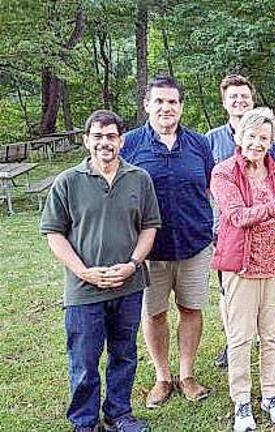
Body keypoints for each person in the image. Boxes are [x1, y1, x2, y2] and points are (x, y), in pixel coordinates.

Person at [41, 110, 161, 432]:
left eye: (111, 136)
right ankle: (84, 421)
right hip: (84, 290)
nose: (104, 142)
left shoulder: (139, 179)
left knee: (124, 355)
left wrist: (133, 264)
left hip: (129, 285)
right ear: (86, 141)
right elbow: (54, 234)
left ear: (121, 141)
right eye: (97, 136)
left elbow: (149, 227)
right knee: (83, 360)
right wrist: (84, 272)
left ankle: (118, 415)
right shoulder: (67, 181)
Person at [121, 75, 214, 407]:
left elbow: (208, 188)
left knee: (191, 309)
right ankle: (163, 377)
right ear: (147, 105)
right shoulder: (129, 144)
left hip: (194, 244)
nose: (165, 107)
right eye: (158, 101)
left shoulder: (199, 144)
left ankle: (187, 375)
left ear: (181, 106)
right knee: (154, 312)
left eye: (172, 101)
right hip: (149, 251)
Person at [211, 108, 275, 430]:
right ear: (239, 137)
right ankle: (242, 403)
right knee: (240, 338)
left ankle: (271, 396)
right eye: (251, 136)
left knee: (271, 336)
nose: (257, 143)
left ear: (272, 140)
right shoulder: (224, 173)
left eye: (264, 137)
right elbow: (237, 216)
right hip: (241, 268)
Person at [206, 74, 275, 369]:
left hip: (268, 236)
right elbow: (205, 184)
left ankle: (266, 339)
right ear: (224, 102)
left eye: (245, 97)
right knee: (231, 292)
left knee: (265, 294)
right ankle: (235, 342)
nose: (239, 101)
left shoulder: (268, 135)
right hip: (226, 231)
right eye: (233, 97)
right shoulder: (212, 140)